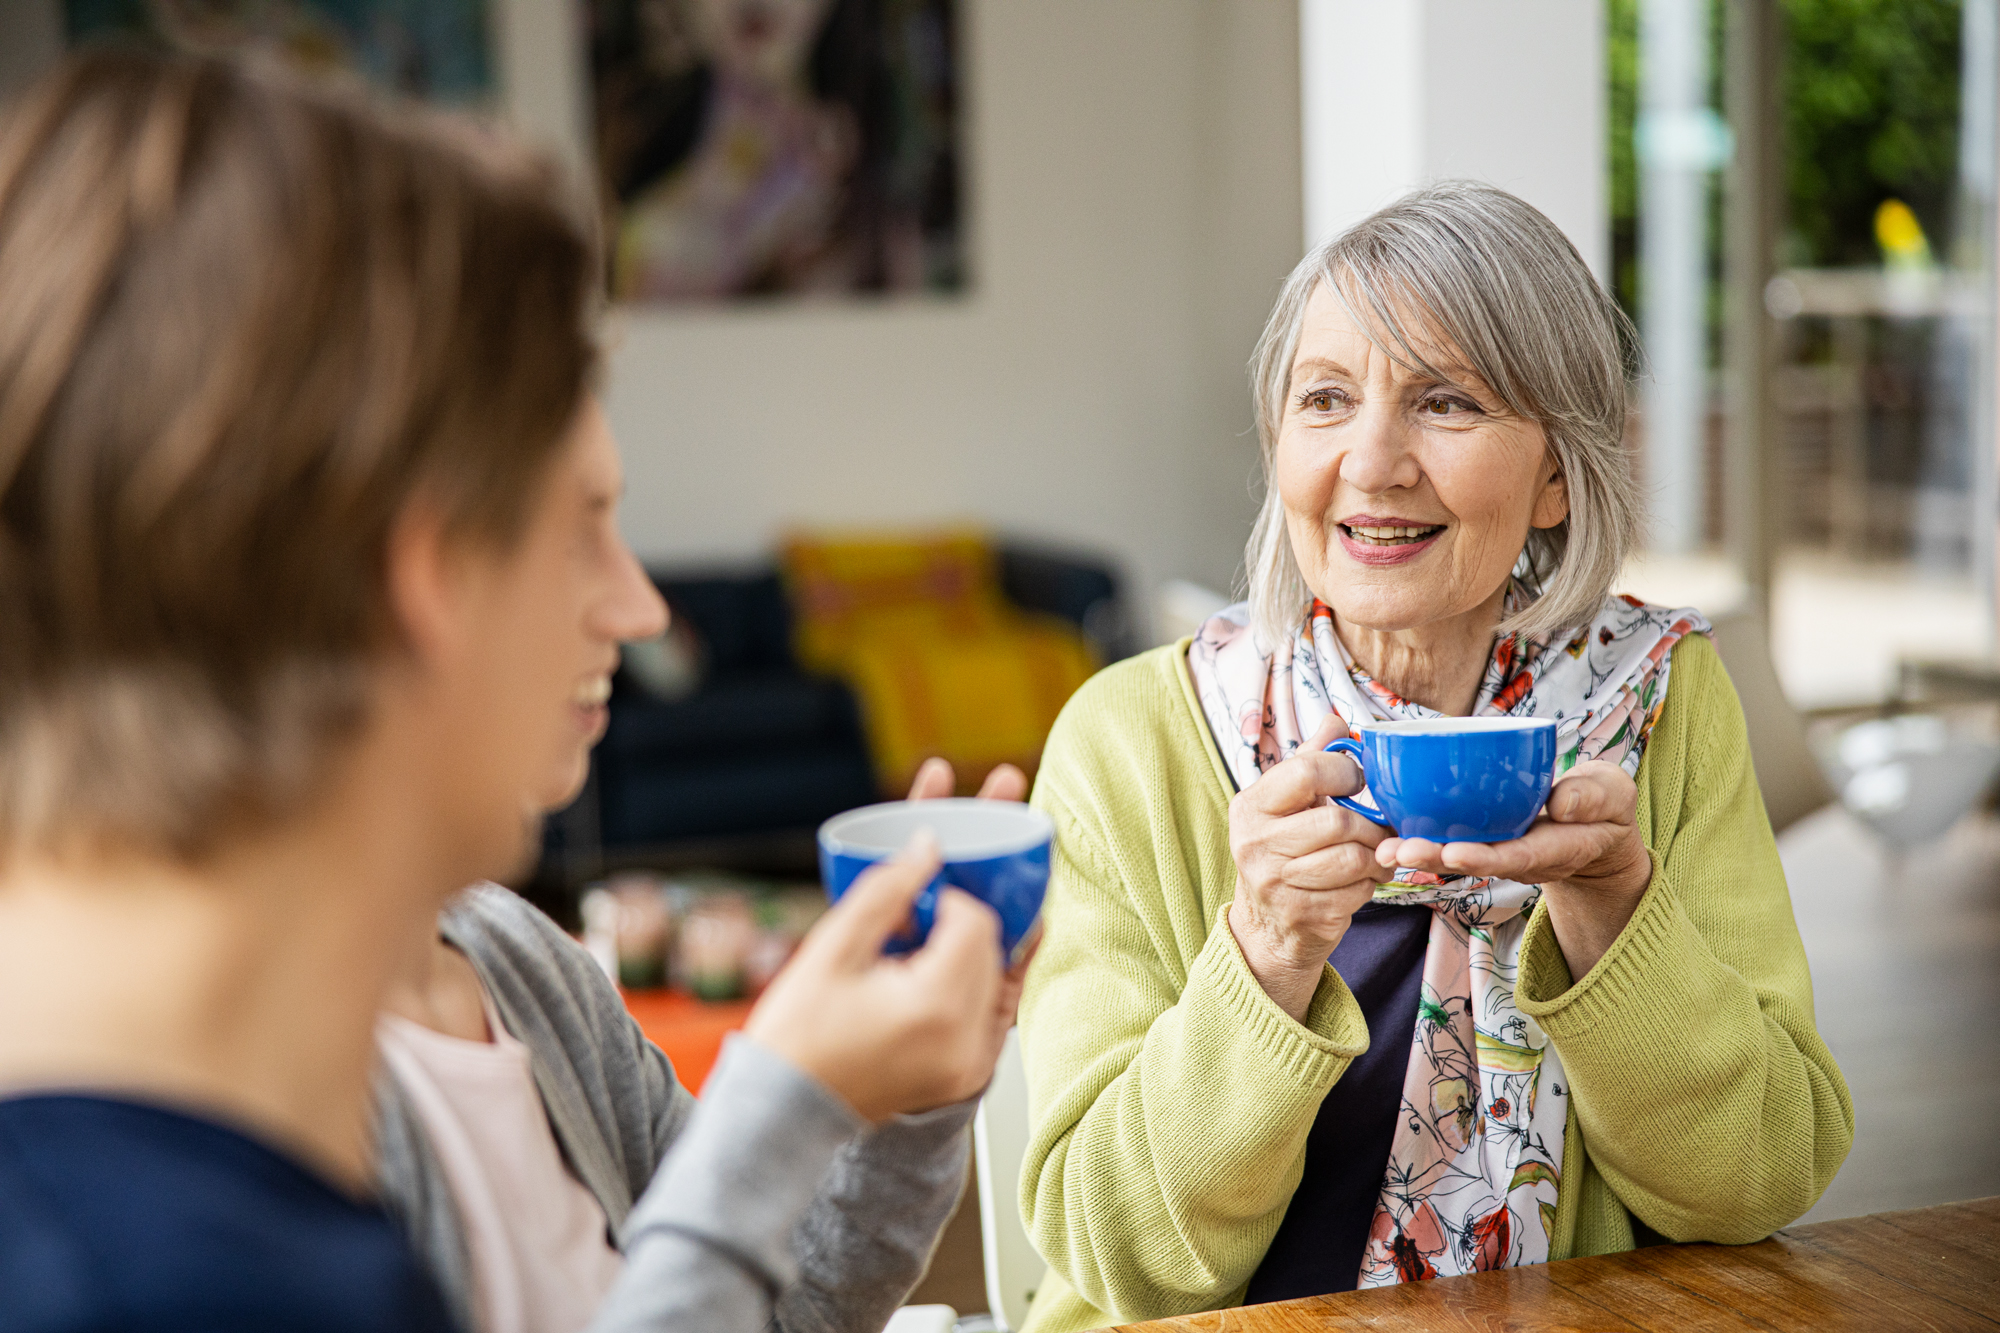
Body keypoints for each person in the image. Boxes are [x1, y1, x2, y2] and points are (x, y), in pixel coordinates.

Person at [0, 49, 1014, 1333]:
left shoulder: (447, 1023)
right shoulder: (185, 1277)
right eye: (576, 527)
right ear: (426, 571)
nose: (642, 608)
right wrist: (784, 1095)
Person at [1012, 182, 1854, 1332]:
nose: (1371, 461)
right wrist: (1261, 952)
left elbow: (1758, 1180)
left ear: (1556, 472)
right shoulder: (1133, 740)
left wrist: (1614, 914)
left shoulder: (1651, 704)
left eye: (1445, 401)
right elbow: (1119, 1255)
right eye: (1324, 400)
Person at [375, 735, 1029, 1333]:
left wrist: (909, 1095)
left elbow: (788, 1315)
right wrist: (785, 1098)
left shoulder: (520, 957)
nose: (638, 617)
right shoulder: (312, 1097)